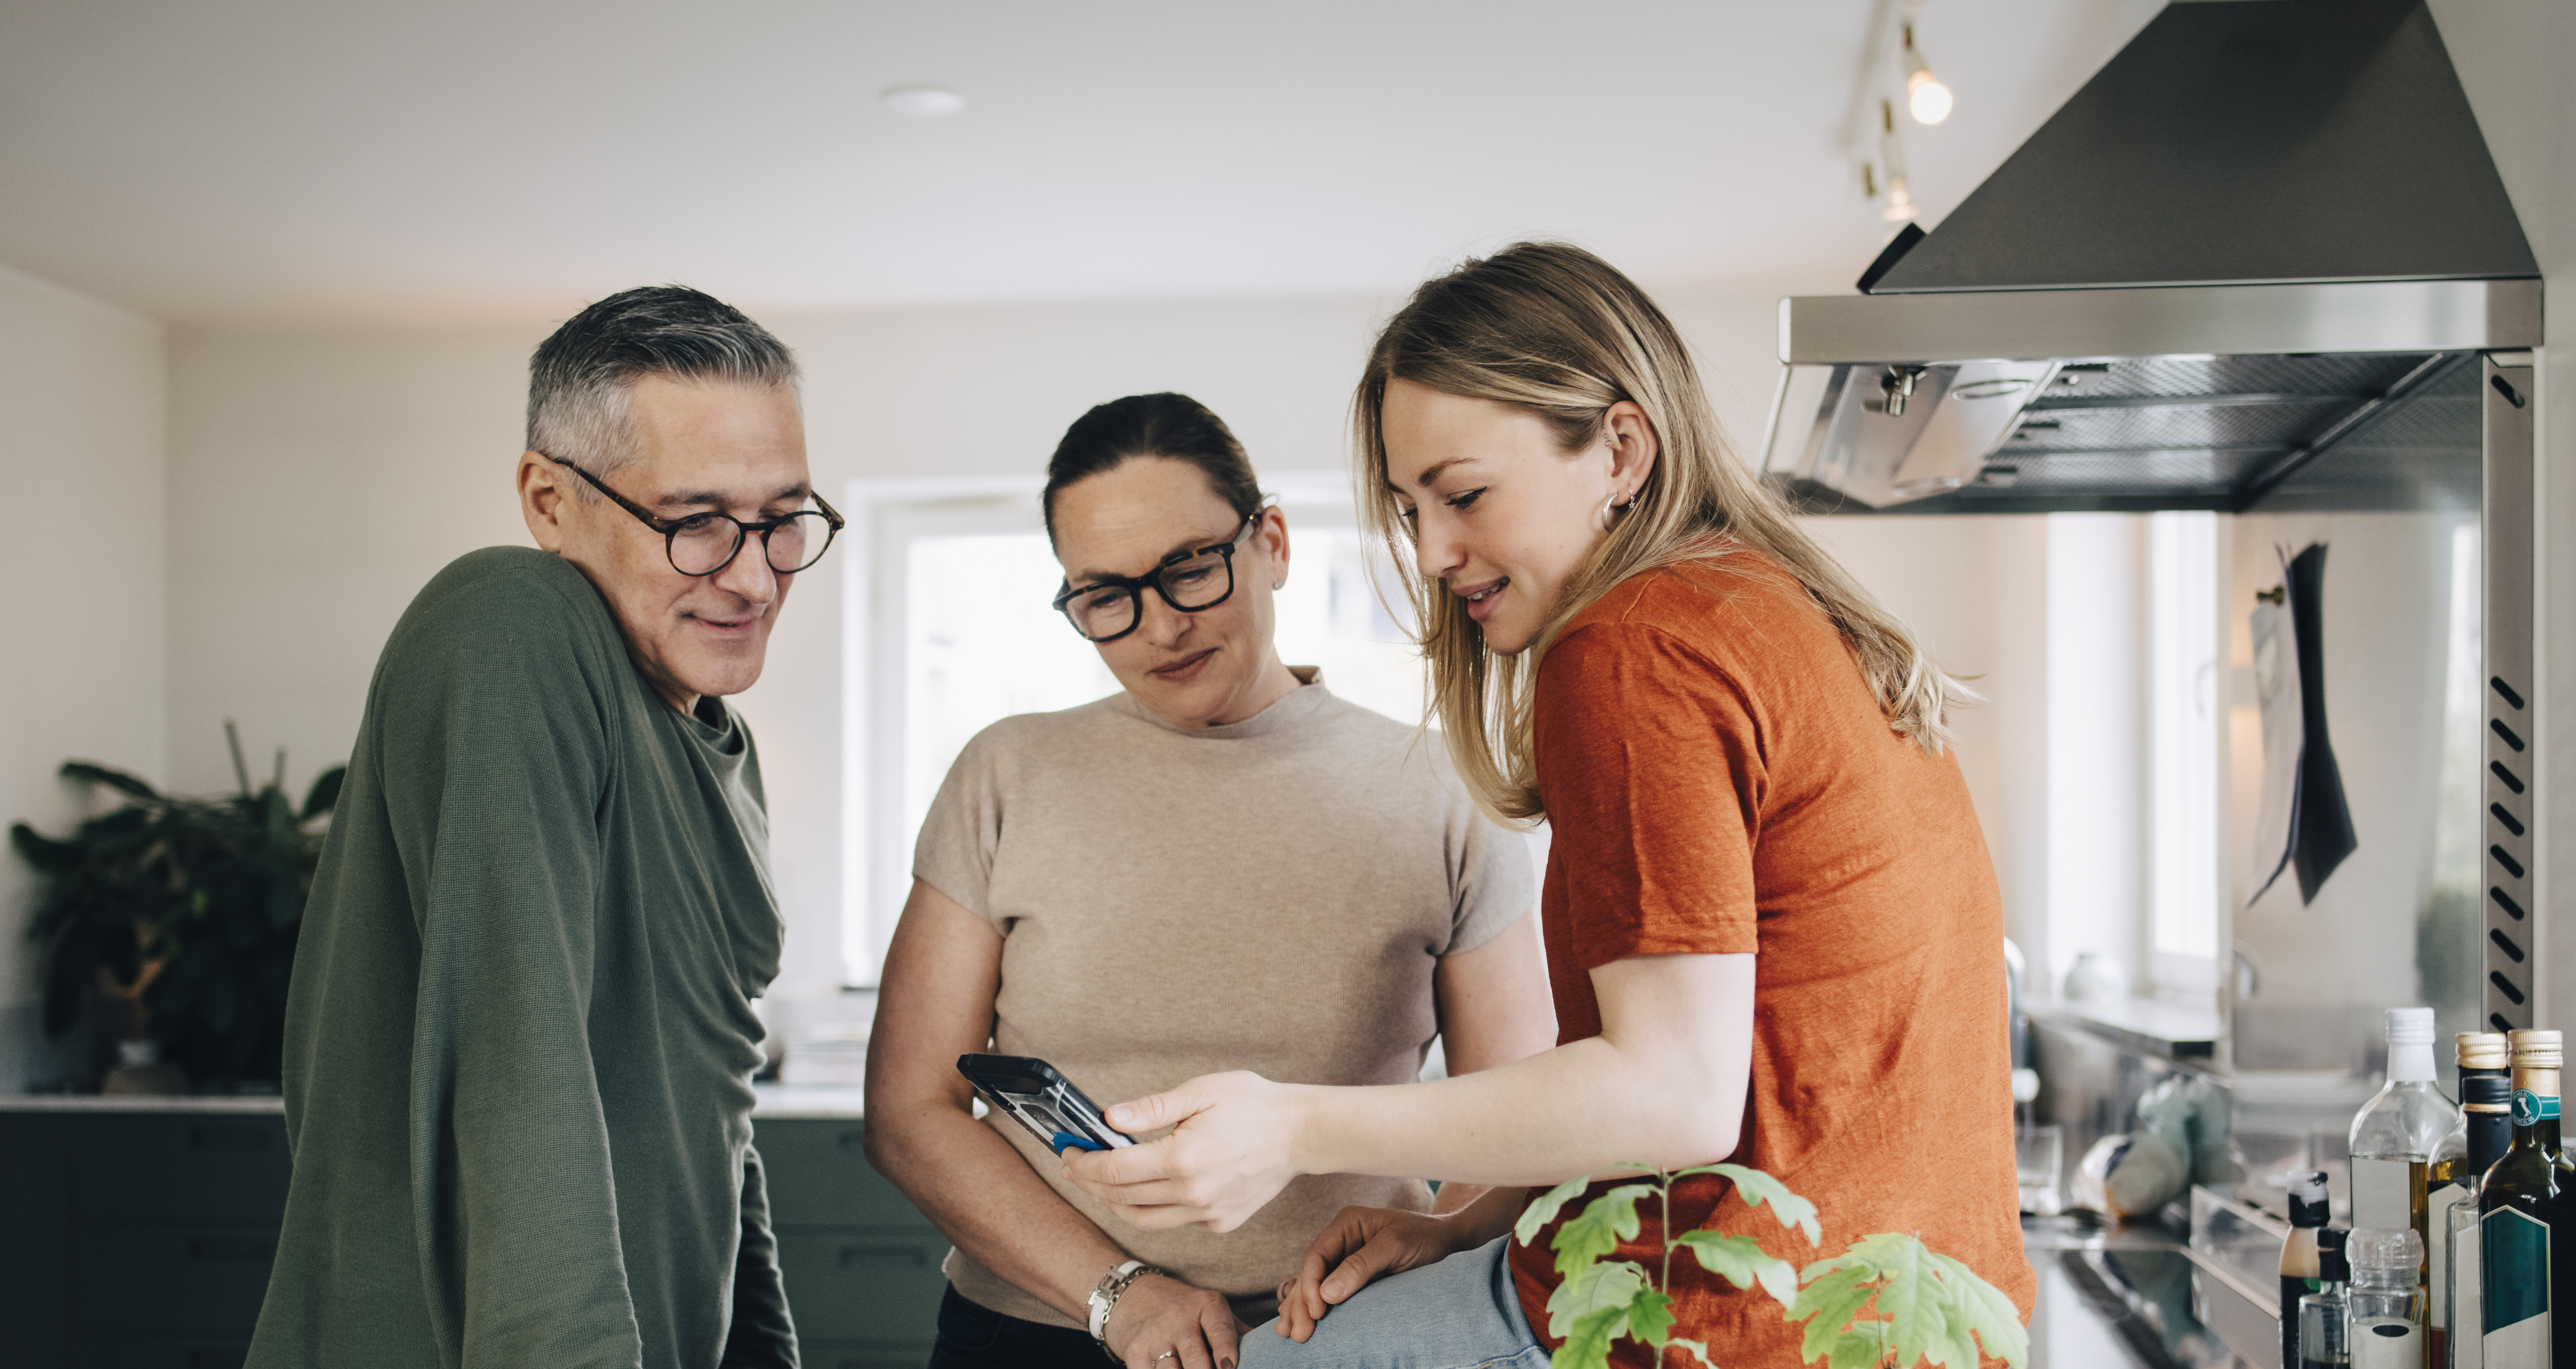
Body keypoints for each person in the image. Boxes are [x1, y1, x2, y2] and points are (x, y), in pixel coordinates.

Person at [1060, 245, 2036, 1367]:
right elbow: (1747, 1068)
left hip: (1724, 1328)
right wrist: (1474, 1218)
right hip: (1911, 1318)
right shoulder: (1759, 604)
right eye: (1408, 507)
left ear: (1619, 448)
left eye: (1463, 494)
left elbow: (1674, 1093)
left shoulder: (1631, 649)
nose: (1429, 553)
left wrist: (1289, 1125)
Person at [863, 392, 1556, 1369]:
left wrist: (1441, 1240)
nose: (1158, 628)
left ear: (1269, 540)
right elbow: (910, 1111)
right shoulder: (1006, 774)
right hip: (1039, 1331)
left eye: (1189, 569)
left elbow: (1523, 1126)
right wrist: (1119, 1295)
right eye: (1105, 596)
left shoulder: (1444, 793)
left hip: (1338, 1335)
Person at [248, 287, 836, 1369]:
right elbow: (520, 1061)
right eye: (697, 521)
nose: (754, 576)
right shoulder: (509, 624)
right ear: (550, 499)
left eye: (783, 518)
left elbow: (711, 1117)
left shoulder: (722, 743)